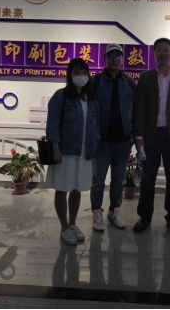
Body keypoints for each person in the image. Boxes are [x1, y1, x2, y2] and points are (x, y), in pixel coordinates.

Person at [132, 37, 170, 235]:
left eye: (166, 50)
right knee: (147, 179)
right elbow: (139, 109)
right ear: (154, 53)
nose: (163, 53)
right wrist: (138, 137)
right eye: (159, 50)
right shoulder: (145, 77)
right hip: (150, 137)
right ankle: (145, 217)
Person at [46, 58, 100, 245]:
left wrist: (95, 141)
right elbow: (52, 124)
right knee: (62, 188)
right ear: (70, 75)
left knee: (77, 189)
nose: (81, 76)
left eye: (84, 72)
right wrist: (55, 148)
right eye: (77, 72)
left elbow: (96, 123)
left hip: (84, 152)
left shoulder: (90, 98)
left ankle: (72, 224)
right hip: (65, 151)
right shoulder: (61, 96)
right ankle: (64, 228)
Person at [90, 43, 136, 231]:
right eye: (111, 56)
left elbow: (136, 110)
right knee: (98, 180)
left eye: (118, 56)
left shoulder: (130, 82)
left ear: (122, 59)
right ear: (105, 59)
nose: (114, 60)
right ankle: (96, 212)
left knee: (118, 180)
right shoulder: (95, 81)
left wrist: (134, 133)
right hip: (102, 142)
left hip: (123, 141)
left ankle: (114, 210)